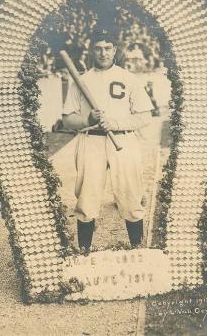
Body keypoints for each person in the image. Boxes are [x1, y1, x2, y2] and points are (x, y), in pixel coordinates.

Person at [62, 28, 154, 251]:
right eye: (98, 48)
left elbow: (144, 116)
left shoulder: (128, 79)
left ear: (115, 50)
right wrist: (87, 119)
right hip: (90, 140)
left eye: (107, 48)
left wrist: (114, 123)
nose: (103, 53)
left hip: (123, 142)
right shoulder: (81, 80)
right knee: (87, 198)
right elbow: (67, 120)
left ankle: (138, 251)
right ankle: (84, 252)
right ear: (92, 51)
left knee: (131, 195)